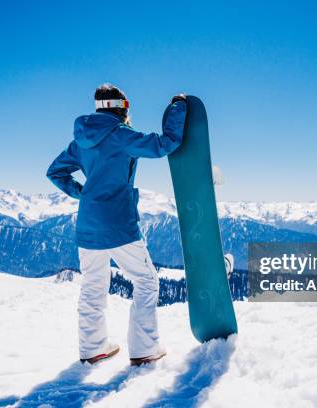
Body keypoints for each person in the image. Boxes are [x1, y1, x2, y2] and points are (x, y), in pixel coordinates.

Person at [47, 84, 187, 366]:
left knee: (93, 285)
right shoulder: (122, 136)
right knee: (146, 281)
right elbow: (165, 144)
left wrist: (82, 192)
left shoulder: (80, 141)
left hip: (87, 225)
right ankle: (144, 348)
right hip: (118, 223)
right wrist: (178, 107)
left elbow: (55, 172)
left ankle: (92, 348)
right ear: (122, 107)